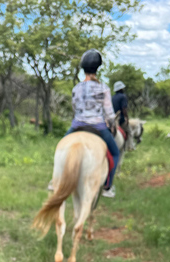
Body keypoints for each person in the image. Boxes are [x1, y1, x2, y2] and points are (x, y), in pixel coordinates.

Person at [48, 49, 119, 198]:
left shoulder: (76, 88)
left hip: (77, 125)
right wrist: (111, 123)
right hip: (98, 126)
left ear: (83, 68)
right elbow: (110, 114)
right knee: (115, 153)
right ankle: (108, 187)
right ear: (97, 68)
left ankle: (54, 180)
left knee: (60, 148)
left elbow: (75, 108)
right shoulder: (103, 88)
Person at [112, 81, 133, 150]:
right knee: (129, 131)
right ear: (121, 89)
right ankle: (129, 147)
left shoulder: (112, 97)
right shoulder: (123, 97)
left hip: (112, 120)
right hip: (120, 119)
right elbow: (124, 109)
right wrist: (126, 118)